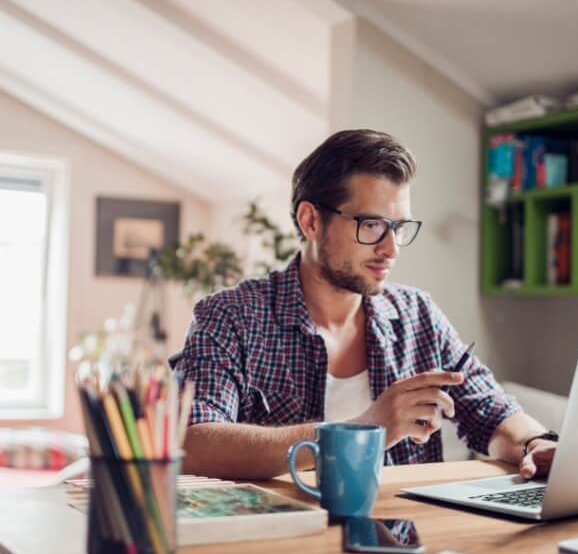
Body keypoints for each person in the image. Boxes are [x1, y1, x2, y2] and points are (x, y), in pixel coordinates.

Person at [170, 130, 557, 480]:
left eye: (399, 227)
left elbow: (491, 411)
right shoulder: (231, 316)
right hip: (280, 541)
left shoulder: (417, 315)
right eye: (371, 225)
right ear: (310, 221)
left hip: (406, 541)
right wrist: (363, 431)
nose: (390, 249)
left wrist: (535, 445)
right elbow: (195, 441)